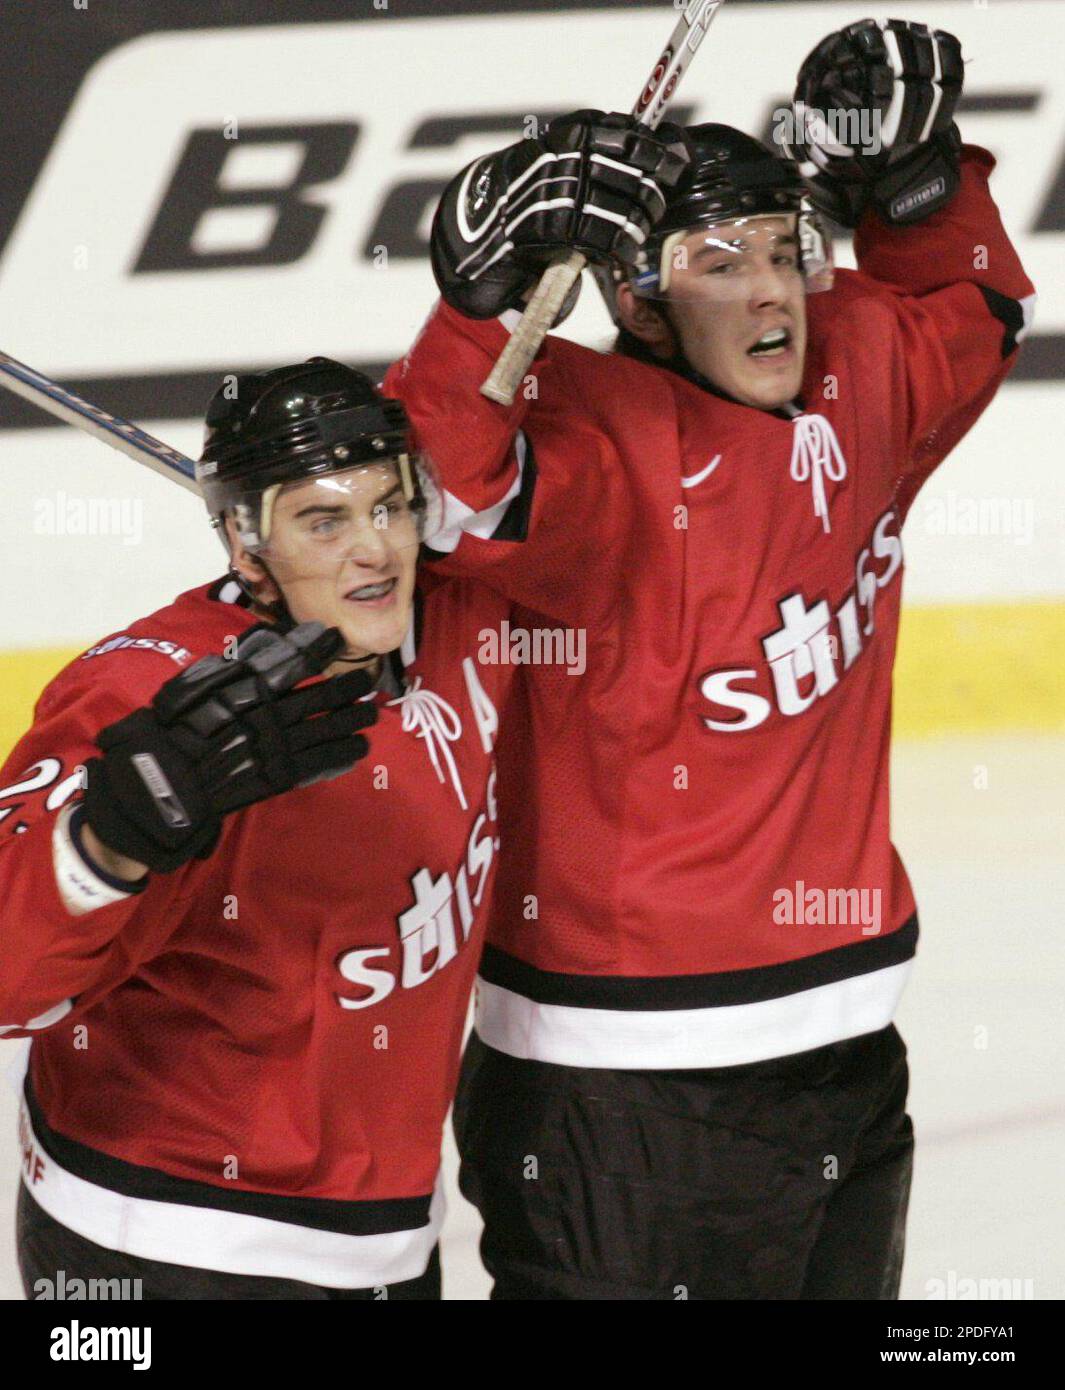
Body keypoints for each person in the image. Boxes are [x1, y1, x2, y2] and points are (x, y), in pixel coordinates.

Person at [384, 18, 1035, 1299]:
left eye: (791, 251)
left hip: (846, 1052)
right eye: (719, 260)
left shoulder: (867, 373)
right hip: (614, 1088)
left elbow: (976, 306)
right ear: (634, 297)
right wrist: (473, 305)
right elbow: (446, 500)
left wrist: (914, 180)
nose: (773, 289)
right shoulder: (583, 427)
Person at [0, 359, 511, 1299]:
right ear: (245, 544)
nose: (375, 549)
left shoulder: (461, 626)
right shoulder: (146, 695)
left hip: (386, 1238)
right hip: (163, 1248)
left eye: (388, 507)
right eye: (324, 520)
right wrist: (104, 842)